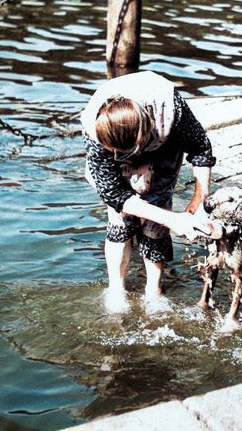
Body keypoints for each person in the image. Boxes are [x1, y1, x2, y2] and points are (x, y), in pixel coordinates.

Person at [80, 71, 215, 313]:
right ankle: (117, 290)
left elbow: (201, 148)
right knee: (121, 219)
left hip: (163, 146)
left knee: (157, 219)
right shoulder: (96, 134)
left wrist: (198, 201)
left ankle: (154, 291)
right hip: (116, 158)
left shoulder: (171, 109)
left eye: (129, 151)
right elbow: (116, 196)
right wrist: (175, 220)